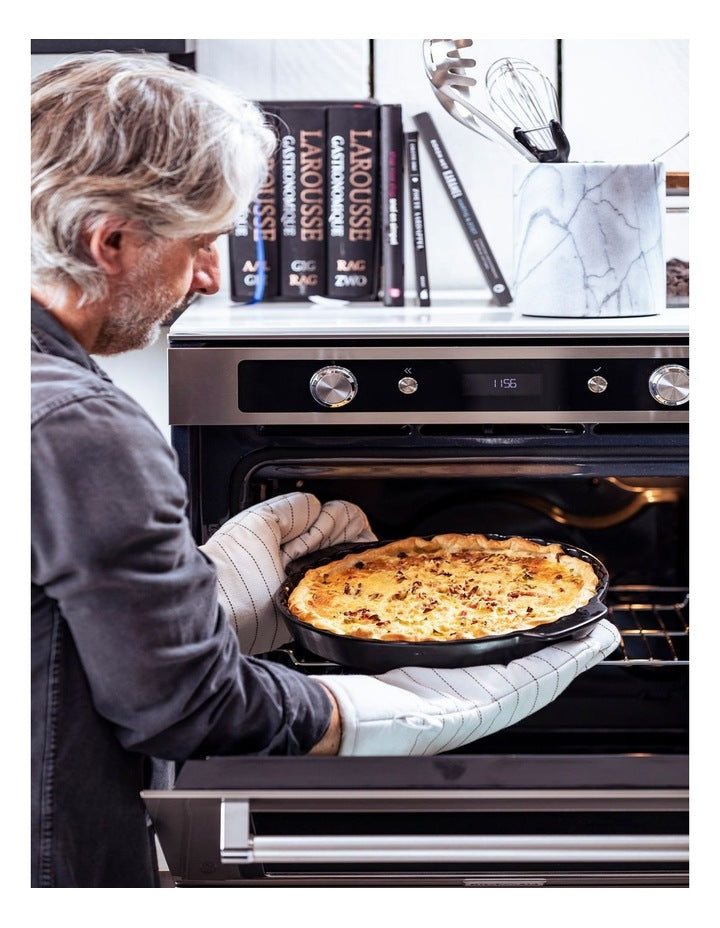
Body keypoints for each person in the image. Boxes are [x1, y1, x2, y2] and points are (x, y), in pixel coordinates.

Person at [31, 52, 620, 888]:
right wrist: (402, 710)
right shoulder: (80, 427)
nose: (211, 275)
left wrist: (199, 603)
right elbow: (190, 711)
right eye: (203, 244)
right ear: (112, 240)